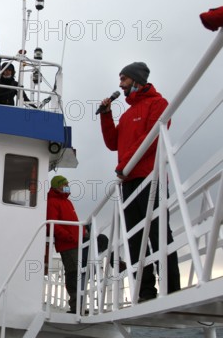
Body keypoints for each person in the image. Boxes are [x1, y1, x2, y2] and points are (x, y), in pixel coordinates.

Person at [98, 61, 180, 301]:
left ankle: (171, 289)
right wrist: (106, 115)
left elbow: (151, 138)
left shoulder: (159, 104)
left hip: (149, 178)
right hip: (128, 181)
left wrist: (126, 164)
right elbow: (113, 142)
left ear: (136, 80)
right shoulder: (126, 116)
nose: (120, 85)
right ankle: (144, 291)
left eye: (123, 79)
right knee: (134, 238)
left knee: (158, 232)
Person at [46, 175, 87, 313]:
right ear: (57, 185)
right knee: (74, 273)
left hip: (76, 242)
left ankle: (79, 305)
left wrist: (83, 233)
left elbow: (73, 221)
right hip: (68, 244)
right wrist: (69, 237)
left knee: (79, 272)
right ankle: (76, 306)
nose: (67, 185)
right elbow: (53, 224)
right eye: (65, 184)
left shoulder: (67, 202)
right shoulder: (52, 202)